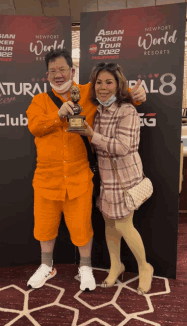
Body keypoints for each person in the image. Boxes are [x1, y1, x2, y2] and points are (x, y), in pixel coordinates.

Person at [26, 49, 146, 292]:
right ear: (46, 75)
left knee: (82, 226)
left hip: (79, 177)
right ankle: (46, 266)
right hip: (47, 179)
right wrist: (58, 115)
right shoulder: (38, 101)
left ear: (72, 70)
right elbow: (35, 127)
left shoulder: (87, 94)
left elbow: (113, 93)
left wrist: (138, 96)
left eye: (62, 69)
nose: (58, 75)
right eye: (52, 71)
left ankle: (86, 268)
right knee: (45, 226)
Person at [72, 62, 153, 295]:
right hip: (106, 179)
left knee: (124, 224)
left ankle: (144, 267)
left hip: (126, 177)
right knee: (109, 224)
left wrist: (91, 135)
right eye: (99, 82)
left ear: (118, 85)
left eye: (109, 82)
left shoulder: (126, 110)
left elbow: (125, 146)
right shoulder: (97, 110)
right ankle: (116, 265)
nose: (103, 87)